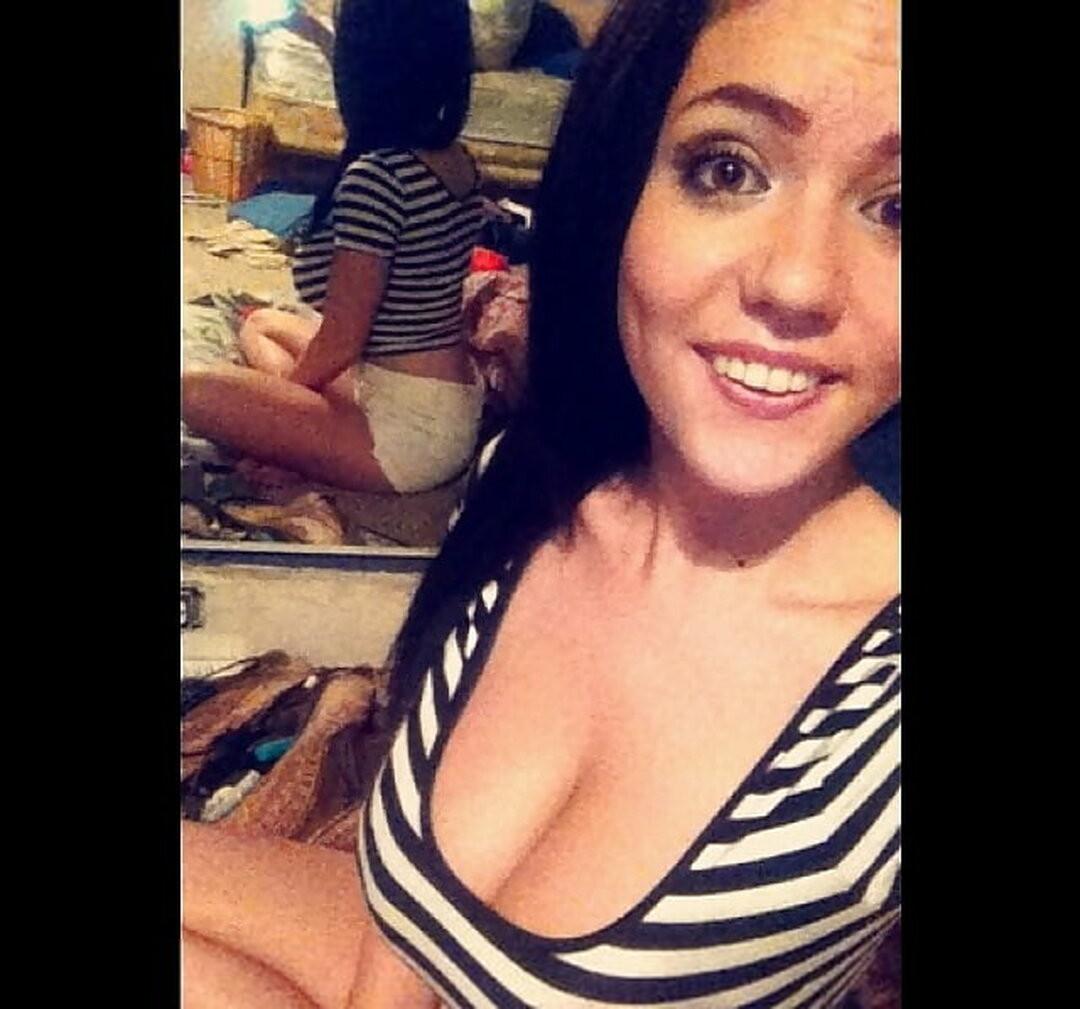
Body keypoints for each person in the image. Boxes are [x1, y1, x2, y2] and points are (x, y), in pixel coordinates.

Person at [182, 0, 901, 1005]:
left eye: (898, 211)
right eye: (727, 169)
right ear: (620, 186)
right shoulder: (528, 483)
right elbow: (403, 947)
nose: (796, 281)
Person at [182, 0, 486, 494]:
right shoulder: (457, 161)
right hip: (443, 401)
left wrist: (279, 412)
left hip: (405, 437)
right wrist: (316, 29)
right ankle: (308, 443)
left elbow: (342, 341)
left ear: (360, 67)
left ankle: (305, 449)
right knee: (261, 323)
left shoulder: (378, 177)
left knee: (192, 386)